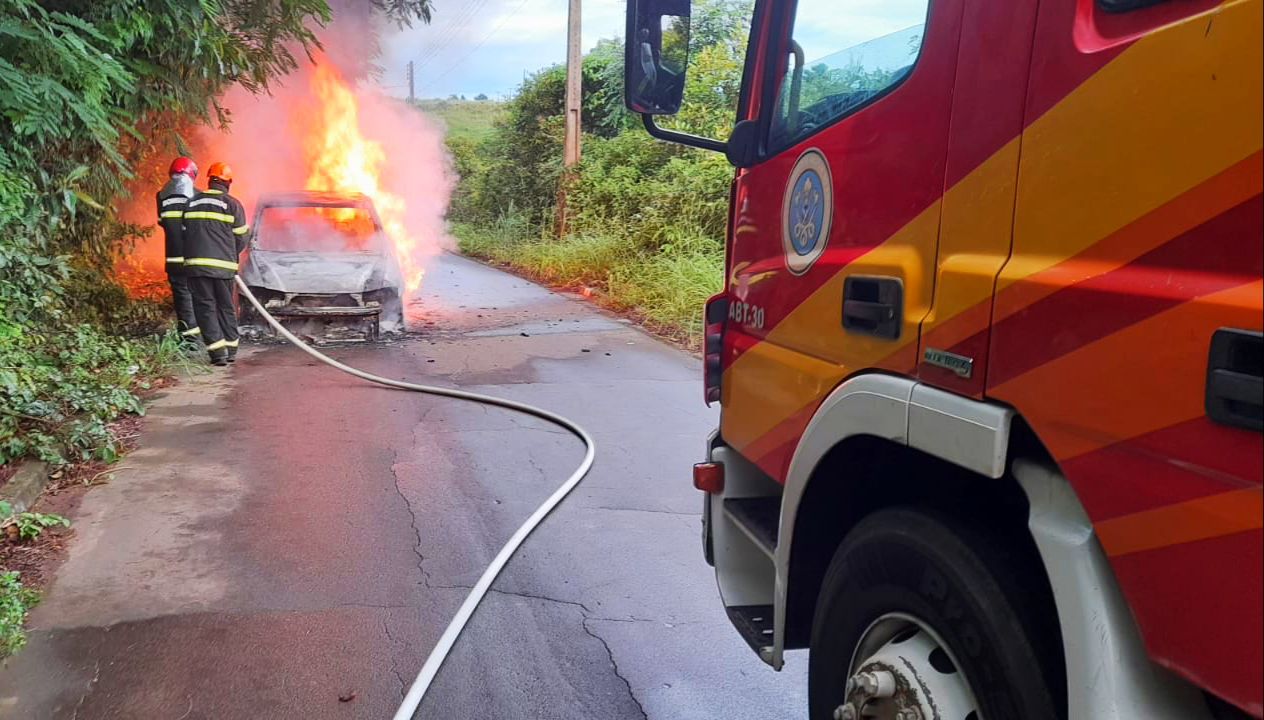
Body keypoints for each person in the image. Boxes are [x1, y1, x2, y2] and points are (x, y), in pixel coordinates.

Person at [183, 162, 250, 366]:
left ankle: (217, 354)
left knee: (205, 308)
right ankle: (230, 350)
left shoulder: (192, 203)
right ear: (228, 182)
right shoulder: (232, 204)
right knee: (226, 306)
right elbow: (242, 238)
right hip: (223, 268)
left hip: (196, 267)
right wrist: (229, 253)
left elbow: (186, 234)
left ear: (210, 180)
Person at [156, 157, 200, 344]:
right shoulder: (198, 195)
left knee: (183, 299)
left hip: (173, 258)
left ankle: (188, 338)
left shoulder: (161, 196)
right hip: (195, 257)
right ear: (191, 174)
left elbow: (163, 222)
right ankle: (197, 340)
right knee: (200, 296)